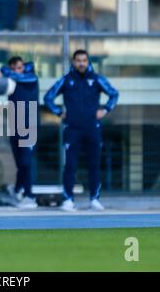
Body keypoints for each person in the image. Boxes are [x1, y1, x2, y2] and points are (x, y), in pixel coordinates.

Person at [44, 49, 119, 211]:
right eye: (78, 60)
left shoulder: (97, 79)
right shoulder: (66, 80)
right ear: (73, 62)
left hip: (93, 127)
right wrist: (58, 112)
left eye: (84, 60)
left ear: (88, 62)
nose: (81, 63)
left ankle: (94, 199)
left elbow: (114, 94)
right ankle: (68, 200)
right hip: (72, 128)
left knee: (94, 164)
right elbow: (48, 97)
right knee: (70, 165)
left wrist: (105, 109)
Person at [0, 56, 39, 208]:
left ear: (24, 67)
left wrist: (6, 73)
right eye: (13, 68)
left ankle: (29, 196)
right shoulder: (12, 79)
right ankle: (18, 189)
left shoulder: (31, 77)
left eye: (19, 67)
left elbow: (11, 74)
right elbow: (3, 70)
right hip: (14, 124)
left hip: (29, 125)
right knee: (20, 163)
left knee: (26, 161)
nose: (16, 71)